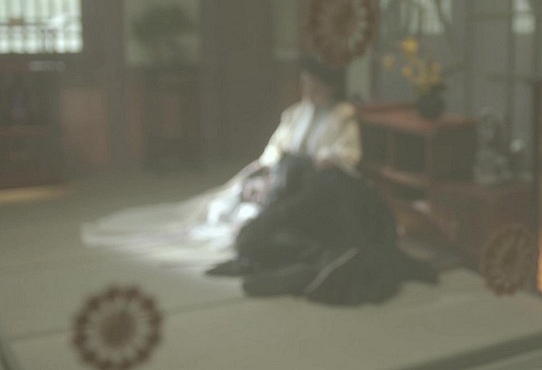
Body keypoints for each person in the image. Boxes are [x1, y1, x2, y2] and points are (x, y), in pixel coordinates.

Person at [82, 55, 436, 305]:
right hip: (285, 177)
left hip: (318, 181)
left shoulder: (341, 115)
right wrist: (263, 173)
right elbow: (274, 150)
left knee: (276, 220)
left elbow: (347, 155)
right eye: (305, 83)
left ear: (329, 87)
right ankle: (268, 246)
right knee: (227, 205)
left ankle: (293, 256)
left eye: (314, 84)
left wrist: (325, 160)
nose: (308, 89)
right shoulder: (296, 113)